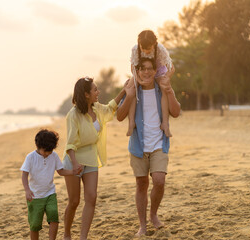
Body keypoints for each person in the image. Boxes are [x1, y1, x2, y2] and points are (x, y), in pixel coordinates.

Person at [117, 57, 180, 236]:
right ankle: (142, 225)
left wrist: (169, 91)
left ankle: (153, 214)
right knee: (141, 184)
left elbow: (175, 112)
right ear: (136, 71)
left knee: (159, 181)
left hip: (159, 143)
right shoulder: (133, 90)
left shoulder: (162, 88)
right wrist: (128, 96)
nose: (146, 72)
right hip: (138, 145)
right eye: (142, 69)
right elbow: (120, 116)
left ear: (155, 70)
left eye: (149, 68)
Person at [62, 77, 125, 240]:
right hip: (73, 160)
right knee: (74, 201)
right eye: (95, 90)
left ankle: (83, 237)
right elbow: (70, 144)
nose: (98, 92)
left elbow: (111, 107)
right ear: (86, 94)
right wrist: (75, 164)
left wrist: (124, 90)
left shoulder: (96, 108)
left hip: (91, 158)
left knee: (92, 197)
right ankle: (67, 234)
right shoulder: (73, 115)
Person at [21, 129, 81, 240]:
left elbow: (61, 171)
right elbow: (24, 175)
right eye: (46, 151)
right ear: (38, 146)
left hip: (50, 194)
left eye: (51, 150)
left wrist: (72, 172)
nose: (48, 153)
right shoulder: (30, 157)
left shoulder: (53, 156)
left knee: (54, 217)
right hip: (35, 196)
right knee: (34, 225)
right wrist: (27, 190)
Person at [126, 30, 175, 137]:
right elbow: (133, 68)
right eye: (143, 48)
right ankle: (131, 122)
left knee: (164, 89)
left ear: (154, 44)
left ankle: (165, 124)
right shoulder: (135, 49)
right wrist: (139, 80)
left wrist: (166, 79)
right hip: (142, 73)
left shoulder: (160, 49)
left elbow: (171, 68)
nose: (146, 51)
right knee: (131, 87)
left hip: (158, 72)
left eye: (149, 49)